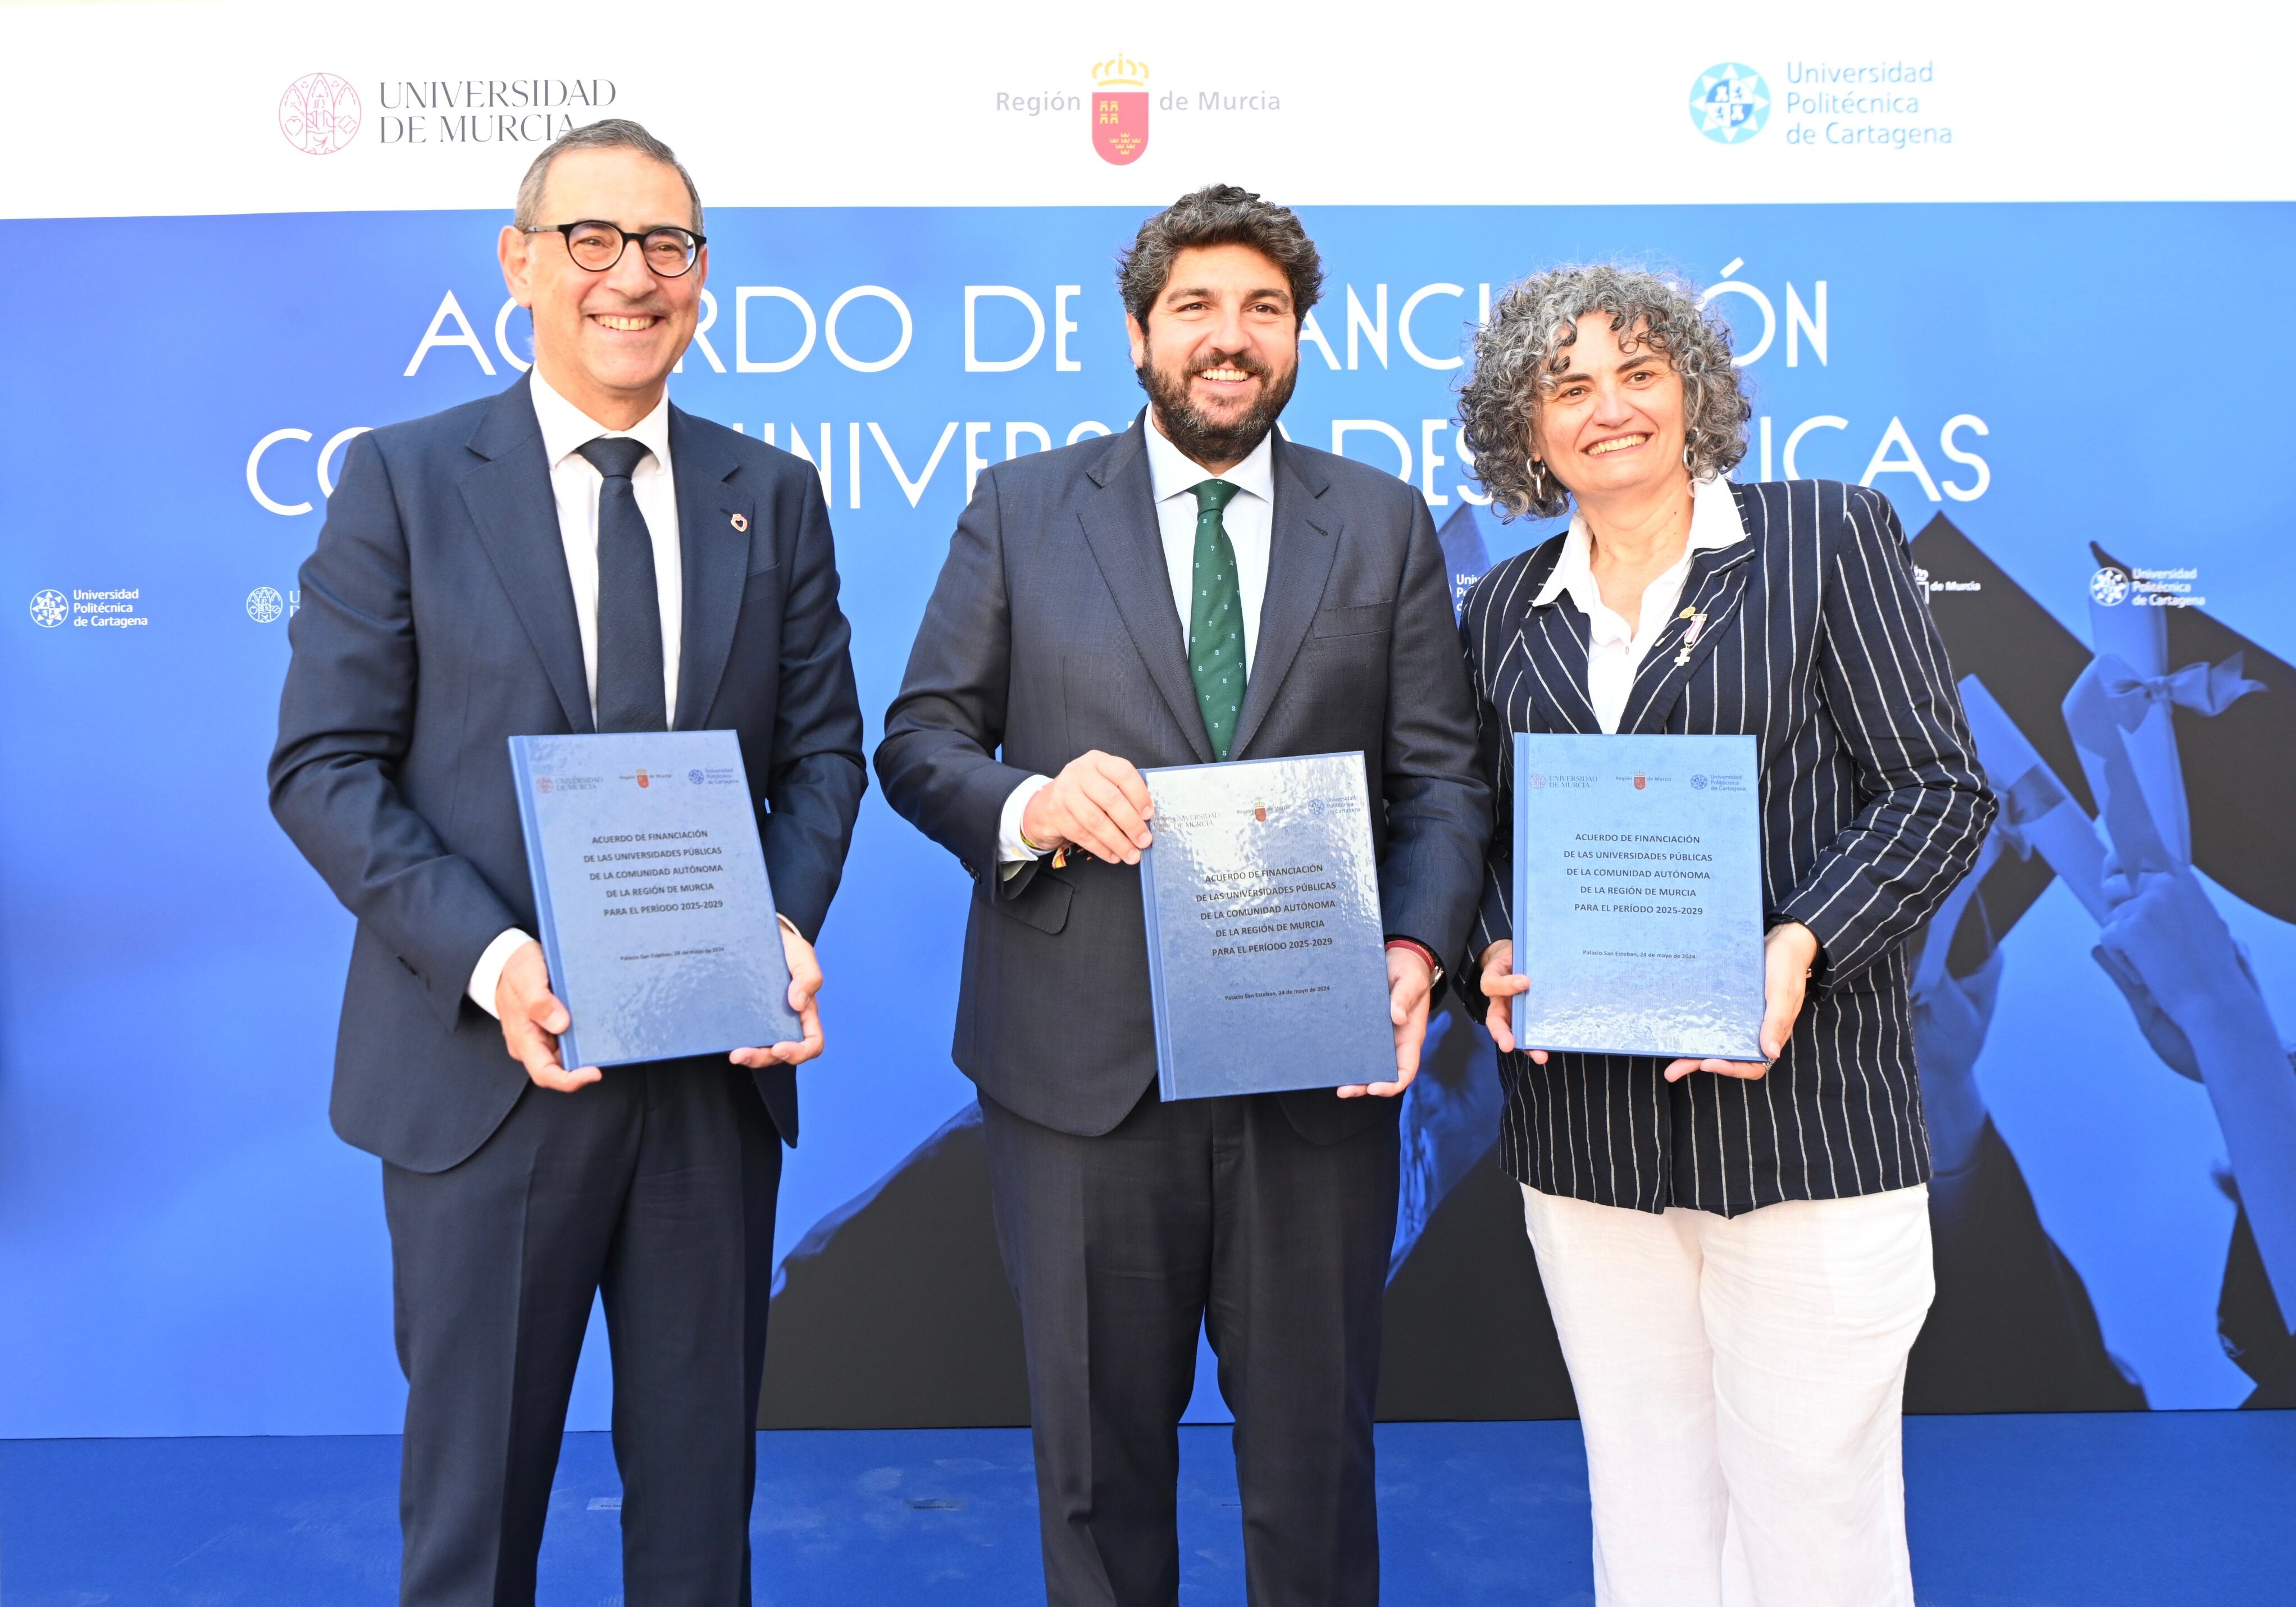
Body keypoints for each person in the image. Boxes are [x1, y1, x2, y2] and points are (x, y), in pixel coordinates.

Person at [267, 119, 865, 1605]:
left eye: (667, 245)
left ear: (703, 278)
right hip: (484, 1079)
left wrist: (782, 919)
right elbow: (323, 767)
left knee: (696, 1519)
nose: (631, 276)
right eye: (592, 239)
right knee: (472, 1523)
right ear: (520, 263)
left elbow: (823, 759)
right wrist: (499, 960)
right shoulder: (403, 482)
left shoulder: (768, 492)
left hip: (706, 1085)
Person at [874, 184, 1489, 1607]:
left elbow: (1444, 781)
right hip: (1078, 1076)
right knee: (1094, 1476)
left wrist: (1415, 947)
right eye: (1198, 309)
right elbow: (920, 745)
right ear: (1140, 334)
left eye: (1263, 311)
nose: (1232, 338)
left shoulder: (1382, 525)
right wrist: (1030, 805)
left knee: (1314, 1468)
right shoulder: (1022, 510)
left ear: (1298, 338)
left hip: (1307, 1065)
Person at [1452, 265, 1994, 1607]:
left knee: (1817, 1514)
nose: (1608, 408)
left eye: (1638, 372)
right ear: (1524, 435)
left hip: (1809, 1118)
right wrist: (1489, 949)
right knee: (1645, 1505)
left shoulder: (1825, 537)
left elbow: (1938, 790)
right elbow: (1466, 831)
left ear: (1692, 389)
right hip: (1587, 1136)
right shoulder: (1493, 612)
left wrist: (1797, 944)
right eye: (1565, 387)